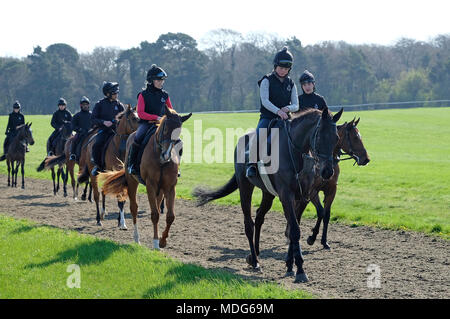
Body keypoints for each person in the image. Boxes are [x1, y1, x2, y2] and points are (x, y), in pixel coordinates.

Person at [246, 46, 299, 178]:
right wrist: (277, 111)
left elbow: (296, 105)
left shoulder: (291, 83)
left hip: (285, 119)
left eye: (286, 69)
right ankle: (251, 165)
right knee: (259, 135)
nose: (283, 71)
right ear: (275, 66)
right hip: (268, 117)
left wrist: (288, 109)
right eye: (281, 68)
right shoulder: (266, 80)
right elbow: (265, 101)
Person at [127, 64, 174, 176]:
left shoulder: (165, 95)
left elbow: (171, 111)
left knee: (175, 140)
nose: (161, 82)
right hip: (146, 124)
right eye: (159, 80)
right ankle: (132, 165)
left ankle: (175, 167)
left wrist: (171, 119)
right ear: (151, 80)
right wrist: (156, 117)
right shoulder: (143, 95)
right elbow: (141, 113)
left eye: (162, 80)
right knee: (137, 138)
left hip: (162, 125)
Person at [90, 81, 125, 176]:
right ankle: (98, 166)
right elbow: (93, 119)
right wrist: (104, 122)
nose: (116, 95)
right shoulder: (99, 104)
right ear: (107, 94)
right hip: (104, 131)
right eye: (114, 93)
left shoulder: (119, 105)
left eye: (117, 93)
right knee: (97, 144)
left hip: (117, 132)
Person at [69, 96, 93, 161]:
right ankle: (73, 155)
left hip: (91, 133)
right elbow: (73, 126)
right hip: (80, 133)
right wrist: (80, 129)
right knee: (74, 140)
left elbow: (96, 124)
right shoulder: (77, 115)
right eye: (83, 104)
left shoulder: (92, 115)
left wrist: (92, 129)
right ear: (81, 105)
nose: (85, 106)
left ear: (89, 105)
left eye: (86, 104)